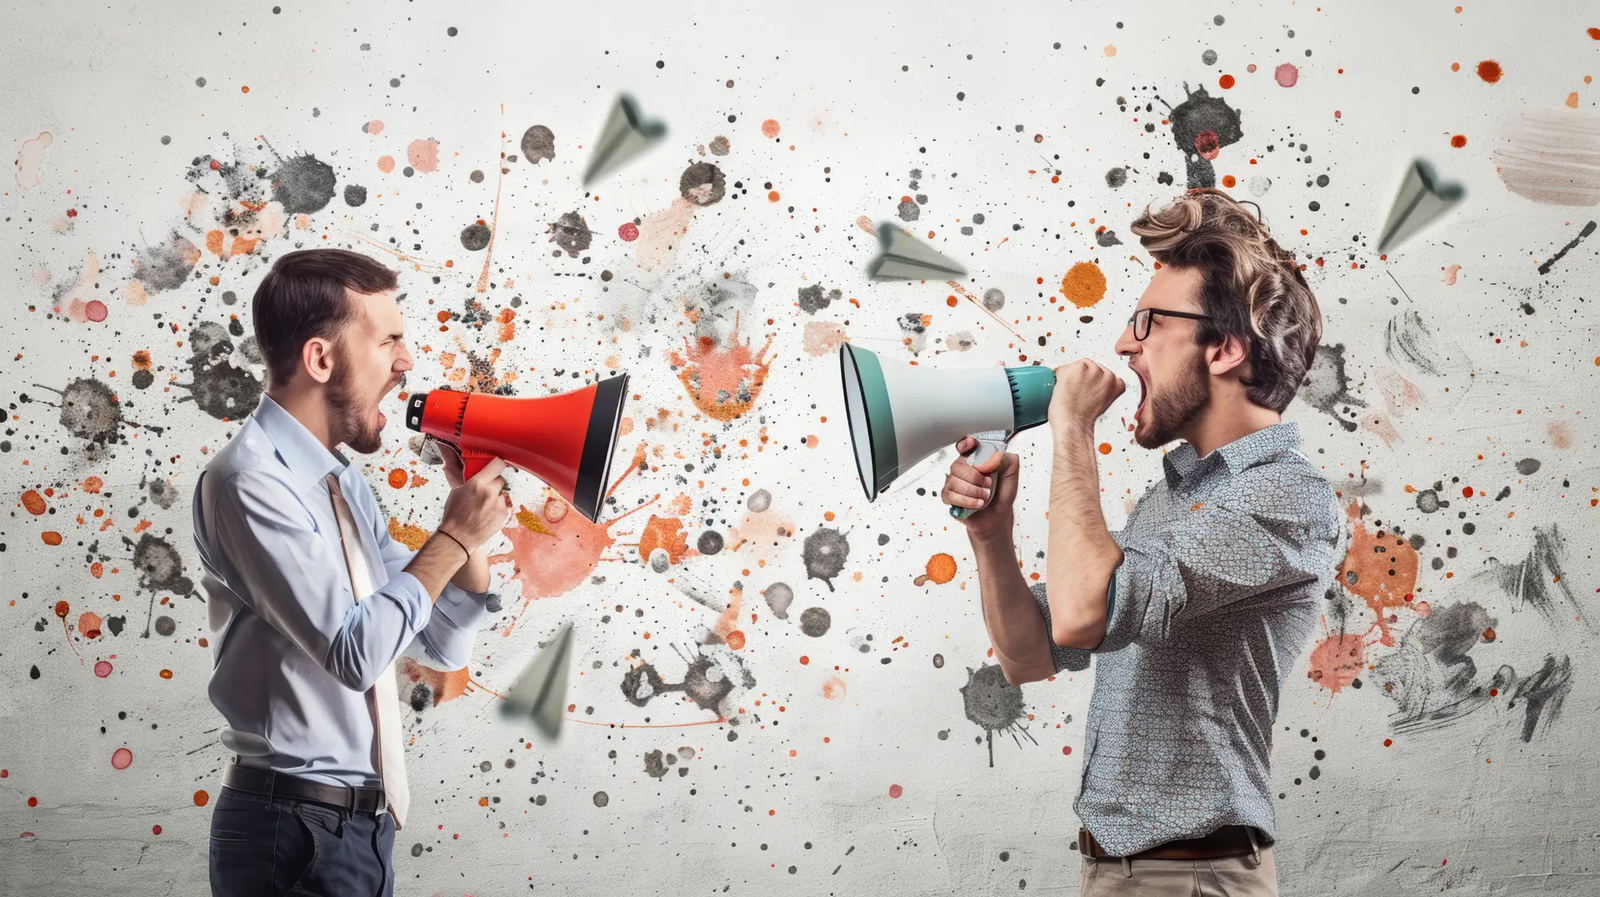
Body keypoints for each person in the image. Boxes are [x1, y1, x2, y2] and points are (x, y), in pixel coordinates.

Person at [941, 189, 1345, 896]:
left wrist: (1071, 428)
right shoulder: (1175, 499)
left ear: (1223, 347)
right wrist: (990, 535)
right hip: (1124, 871)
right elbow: (1032, 651)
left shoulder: (1286, 494)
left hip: (1190, 877)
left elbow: (1082, 615)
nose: (1125, 345)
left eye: (1146, 322)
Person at [191, 249, 514, 896]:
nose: (406, 361)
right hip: (294, 831)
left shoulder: (341, 486)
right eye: (390, 339)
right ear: (320, 359)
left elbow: (439, 640)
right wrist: (452, 534)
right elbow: (353, 651)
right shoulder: (251, 482)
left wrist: (472, 531)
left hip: (358, 829)